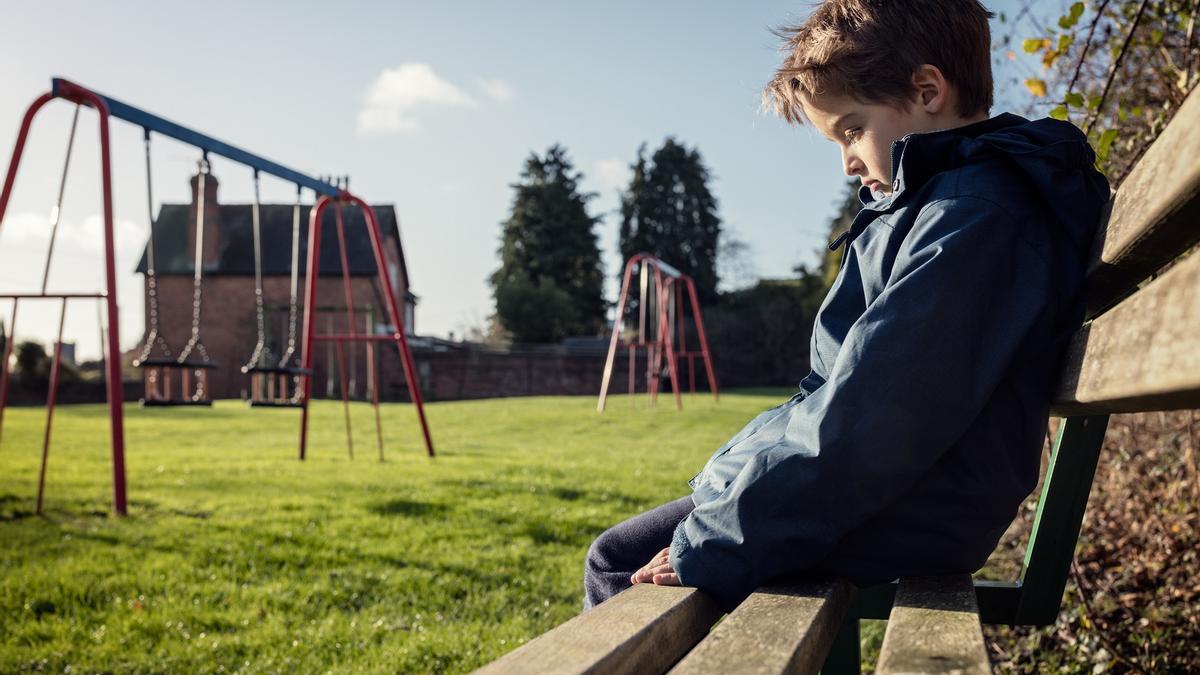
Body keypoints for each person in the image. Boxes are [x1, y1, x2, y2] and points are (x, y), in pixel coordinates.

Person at [584, 0, 1112, 612]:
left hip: (911, 503)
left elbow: (878, 415)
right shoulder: (935, 208)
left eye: (853, 129)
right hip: (891, 490)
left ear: (927, 89)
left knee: (621, 562)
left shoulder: (973, 219)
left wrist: (715, 539)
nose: (847, 162)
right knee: (636, 549)